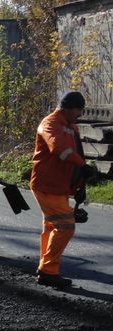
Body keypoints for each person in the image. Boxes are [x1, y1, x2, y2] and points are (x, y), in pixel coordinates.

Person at [29, 91, 96, 289]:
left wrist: (79, 185)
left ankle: (47, 269)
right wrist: (81, 165)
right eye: (78, 110)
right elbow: (59, 148)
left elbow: (75, 154)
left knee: (52, 227)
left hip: (59, 186)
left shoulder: (70, 126)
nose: (80, 114)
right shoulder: (50, 124)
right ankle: (48, 271)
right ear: (68, 108)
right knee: (65, 226)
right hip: (47, 185)